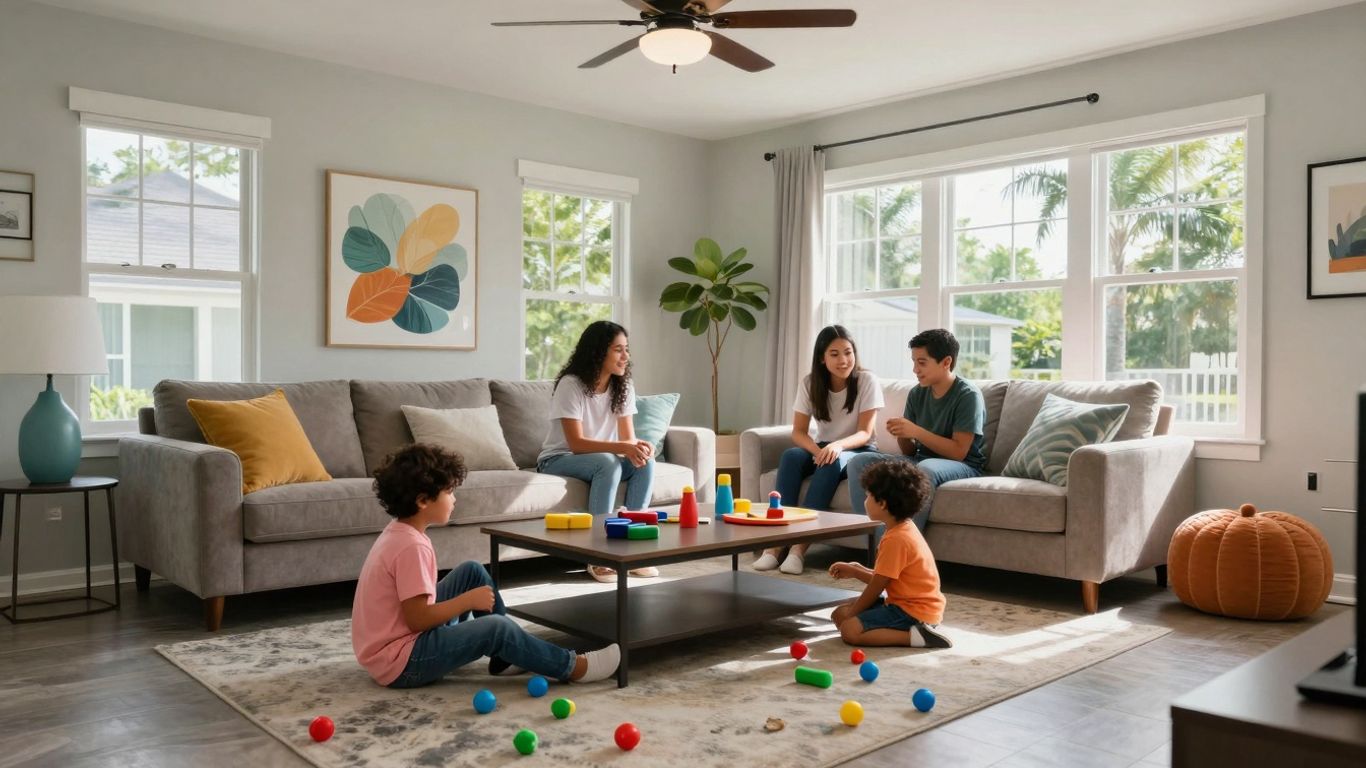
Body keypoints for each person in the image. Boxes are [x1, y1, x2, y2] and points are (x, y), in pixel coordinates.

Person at [351, 443, 621, 689]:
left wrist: (468, 597)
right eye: (449, 492)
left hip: (393, 647)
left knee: (472, 572)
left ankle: (505, 658)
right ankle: (573, 668)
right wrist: (467, 601)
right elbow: (417, 619)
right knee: (495, 628)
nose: (454, 498)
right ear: (422, 501)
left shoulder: (400, 532)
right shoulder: (411, 547)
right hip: (403, 663)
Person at [754, 325, 883, 575]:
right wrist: (817, 450)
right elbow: (798, 432)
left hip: (858, 449)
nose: (843, 360)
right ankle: (775, 546)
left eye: (848, 352)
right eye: (834, 354)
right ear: (822, 358)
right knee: (791, 456)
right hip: (824, 447)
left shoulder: (867, 381)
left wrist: (836, 446)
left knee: (830, 462)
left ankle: (798, 550)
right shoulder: (811, 383)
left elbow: (865, 433)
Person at [538, 320, 657, 582]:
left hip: (603, 458)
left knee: (645, 463)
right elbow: (576, 444)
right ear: (598, 351)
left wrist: (639, 447)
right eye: (618, 350)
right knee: (609, 463)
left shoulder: (622, 385)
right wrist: (623, 447)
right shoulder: (572, 384)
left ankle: (633, 550)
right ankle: (598, 554)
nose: (626, 356)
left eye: (626, 349)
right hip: (559, 459)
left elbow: (627, 439)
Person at [846, 328, 986, 532]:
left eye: (922, 362)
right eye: (914, 361)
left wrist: (917, 431)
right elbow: (910, 453)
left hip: (964, 465)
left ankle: (904, 548)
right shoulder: (917, 393)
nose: (915, 369)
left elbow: (959, 452)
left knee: (926, 469)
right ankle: (874, 542)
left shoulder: (967, 395)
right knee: (860, 462)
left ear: (946, 362)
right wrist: (902, 434)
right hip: (921, 460)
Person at [828, 459, 951, 648]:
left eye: (868, 496)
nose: (865, 501)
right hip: (908, 605)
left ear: (883, 504)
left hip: (913, 612)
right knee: (840, 614)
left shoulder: (896, 539)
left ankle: (917, 637)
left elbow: (877, 587)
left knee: (849, 629)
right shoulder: (903, 528)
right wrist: (855, 569)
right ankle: (916, 631)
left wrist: (853, 615)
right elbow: (886, 577)